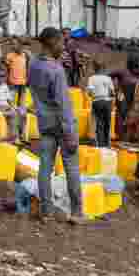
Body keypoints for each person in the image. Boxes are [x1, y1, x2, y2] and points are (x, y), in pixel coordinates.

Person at [28, 27, 85, 225]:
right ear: (52, 43)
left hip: (44, 123)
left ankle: (46, 211)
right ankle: (77, 212)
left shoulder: (34, 65)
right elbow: (63, 104)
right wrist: (70, 133)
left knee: (45, 167)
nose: (64, 46)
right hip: (62, 125)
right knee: (71, 168)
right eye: (61, 42)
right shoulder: (57, 71)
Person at [87, 60, 115, 148]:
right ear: (103, 68)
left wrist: (94, 95)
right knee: (107, 123)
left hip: (97, 101)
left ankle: (101, 145)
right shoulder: (108, 78)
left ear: (94, 68)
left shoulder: (91, 78)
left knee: (99, 123)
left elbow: (90, 92)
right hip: (107, 102)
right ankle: (108, 144)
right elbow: (112, 92)